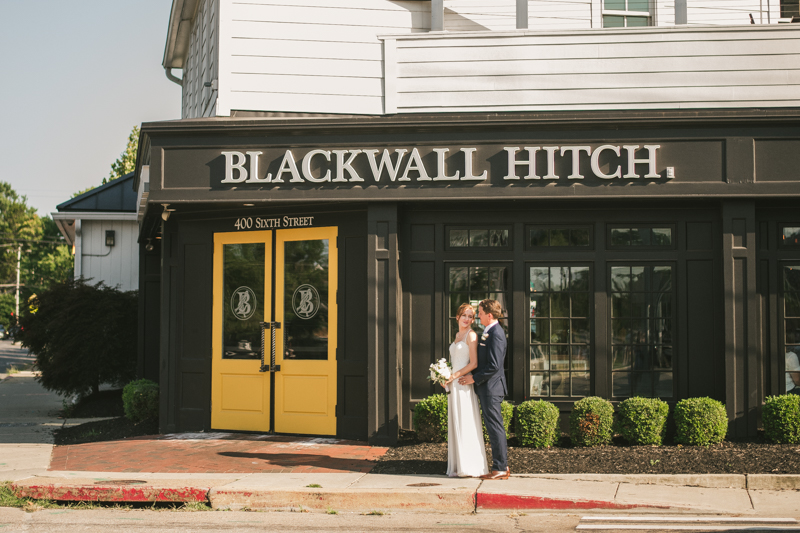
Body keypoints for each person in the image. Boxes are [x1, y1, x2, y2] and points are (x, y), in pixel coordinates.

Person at [459, 299, 509, 480]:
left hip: (492, 388)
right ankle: (500, 466)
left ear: (489, 315)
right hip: (488, 388)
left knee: (495, 427)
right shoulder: (489, 331)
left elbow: (495, 365)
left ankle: (500, 468)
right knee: (493, 426)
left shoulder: (496, 334)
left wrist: (474, 377)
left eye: (479, 313)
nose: (477, 316)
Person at [442, 303, 489, 478]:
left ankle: (469, 465)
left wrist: (453, 376)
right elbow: (454, 360)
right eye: (465, 315)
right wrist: (444, 377)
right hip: (453, 383)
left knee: (465, 420)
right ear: (457, 317)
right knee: (455, 421)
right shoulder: (456, 335)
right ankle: (457, 465)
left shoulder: (472, 335)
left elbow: (474, 363)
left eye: (471, 316)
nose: (467, 319)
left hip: (463, 382)